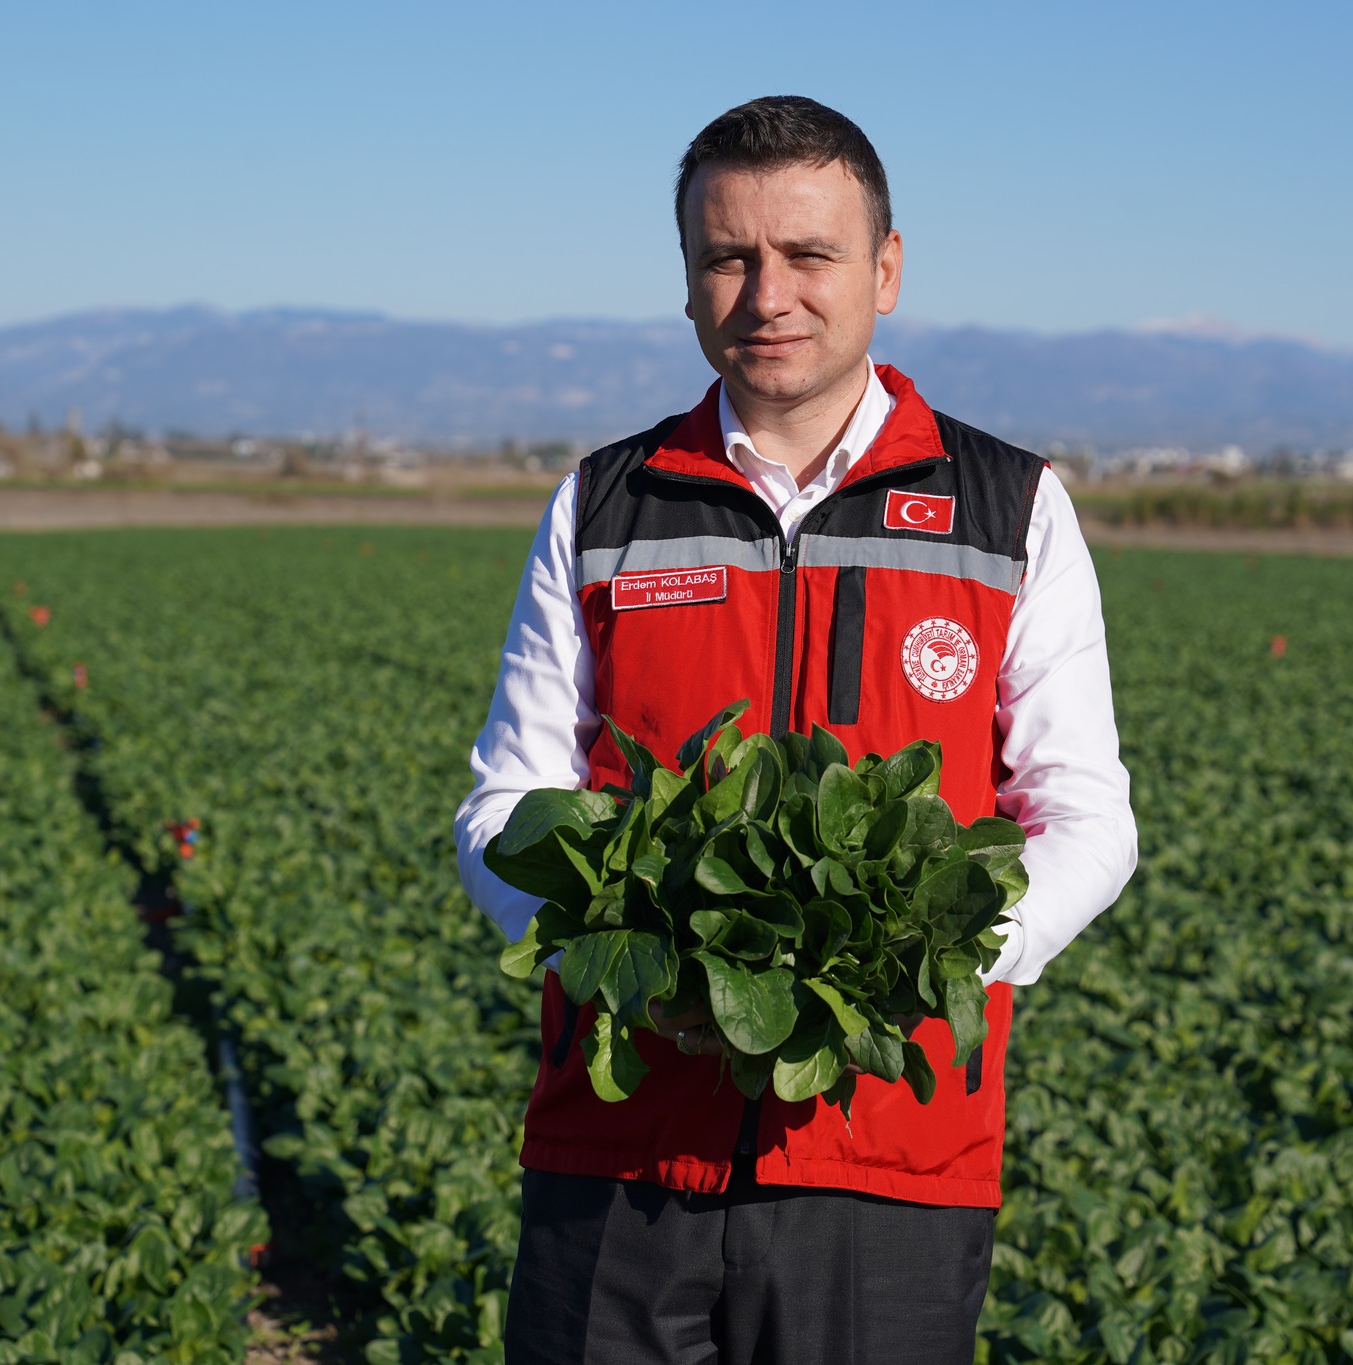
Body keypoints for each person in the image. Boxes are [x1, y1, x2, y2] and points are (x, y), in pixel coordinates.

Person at [455, 95, 1137, 1365]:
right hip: (622, 1142)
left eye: (808, 254)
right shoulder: (605, 502)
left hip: (887, 1154)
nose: (766, 293)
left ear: (883, 268)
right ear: (687, 281)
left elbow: (1084, 818)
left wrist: (915, 967)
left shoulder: (1009, 508)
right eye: (728, 256)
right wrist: (629, 970)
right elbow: (505, 807)